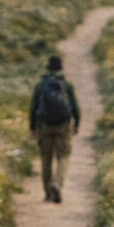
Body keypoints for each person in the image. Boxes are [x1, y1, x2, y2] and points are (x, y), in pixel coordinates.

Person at [29, 53, 80, 203]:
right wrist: (76, 123)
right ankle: (57, 183)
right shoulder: (67, 85)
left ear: (48, 67)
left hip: (44, 126)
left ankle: (47, 193)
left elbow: (33, 107)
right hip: (63, 125)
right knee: (63, 156)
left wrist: (33, 127)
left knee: (46, 158)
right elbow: (75, 106)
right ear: (61, 68)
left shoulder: (40, 85)